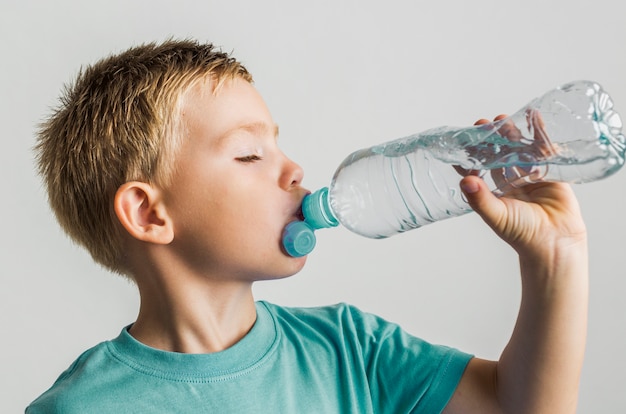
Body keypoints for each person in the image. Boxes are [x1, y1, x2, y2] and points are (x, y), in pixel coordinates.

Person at [27, 39, 588, 413]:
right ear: (150, 214)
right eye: (249, 154)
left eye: (278, 143)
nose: (294, 169)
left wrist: (556, 258)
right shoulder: (81, 407)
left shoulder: (349, 349)